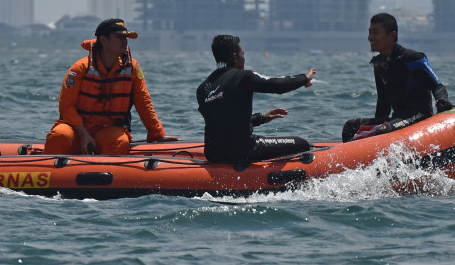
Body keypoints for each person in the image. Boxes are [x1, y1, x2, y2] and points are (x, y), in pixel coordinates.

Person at [44, 18, 177, 156]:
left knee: (120, 141)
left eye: (126, 37)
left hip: (107, 129)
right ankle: (45, 172)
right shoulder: (79, 68)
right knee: (60, 135)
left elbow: (143, 101)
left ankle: (103, 174)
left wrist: (157, 133)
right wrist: (83, 134)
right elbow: (66, 105)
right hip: (76, 128)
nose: (125, 41)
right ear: (104, 40)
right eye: (119, 37)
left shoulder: (132, 68)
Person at [197, 34, 316, 163]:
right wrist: (305, 78)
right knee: (302, 144)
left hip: (214, 154)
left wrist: (261, 118)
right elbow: (276, 84)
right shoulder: (243, 77)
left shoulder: (203, 88)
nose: (244, 58)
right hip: (245, 149)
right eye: (243, 54)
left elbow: (224, 123)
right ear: (235, 57)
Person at [341, 13, 453, 142]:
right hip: (398, 118)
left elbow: (437, 85)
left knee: (382, 131)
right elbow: (383, 102)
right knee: (351, 126)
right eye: (369, 32)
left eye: (376, 33)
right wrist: (377, 122)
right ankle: (349, 159)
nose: (370, 37)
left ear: (392, 35)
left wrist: (442, 100)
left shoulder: (413, 58)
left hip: (419, 116)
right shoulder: (379, 64)